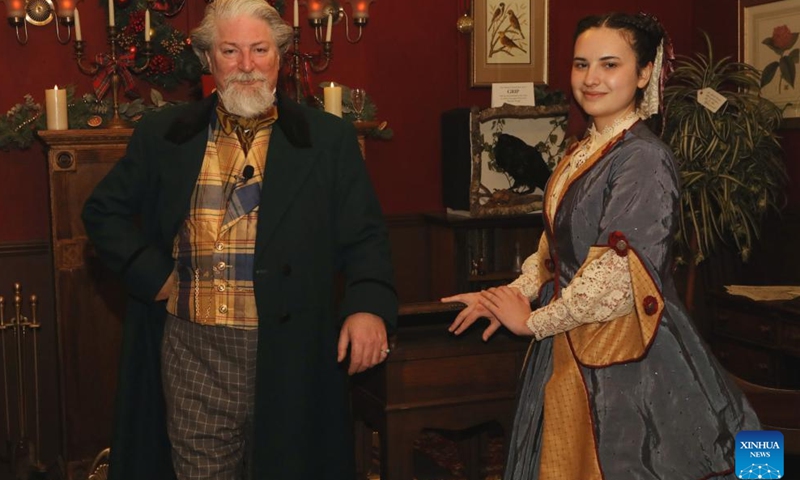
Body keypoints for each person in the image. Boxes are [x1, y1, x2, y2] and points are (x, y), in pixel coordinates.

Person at [82, 0, 397, 478]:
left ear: (279, 57)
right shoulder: (163, 134)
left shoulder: (328, 139)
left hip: (291, 351)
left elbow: (366, 235)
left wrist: (368, 305)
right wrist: (155, 275)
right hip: (193, 351)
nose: (246, 65)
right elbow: (102, 212)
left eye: (259, 49)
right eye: (230, 51)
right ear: (209, 60)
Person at [443, 12, 758, 480]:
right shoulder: (581, 149)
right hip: (568, 340)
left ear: (645, 72)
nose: (591, 79)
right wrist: (507, 297)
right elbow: (553, 253)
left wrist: (530, 322)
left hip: (625, 357)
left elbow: (614, 279)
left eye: (609, 64)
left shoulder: (644, 160)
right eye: (581, 64)